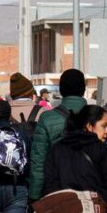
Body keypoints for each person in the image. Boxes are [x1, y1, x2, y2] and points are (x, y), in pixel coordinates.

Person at [29, 69, 87, 201]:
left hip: (57, 192)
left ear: (61, 90)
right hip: (91, 192)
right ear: (83, 90)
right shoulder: (99, 117)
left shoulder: (47, 118)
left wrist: (34, 196)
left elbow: (38, 162)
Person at [44, 105, 107, 204]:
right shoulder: (103, 150)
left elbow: (50, 181)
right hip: (93, 212)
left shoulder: (57, 148)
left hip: (62, 210)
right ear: (89, 126)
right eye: (104, 126)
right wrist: (99, 200)